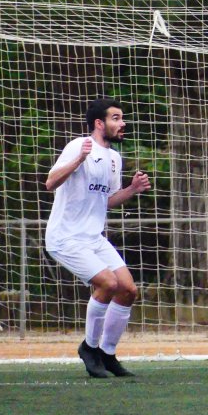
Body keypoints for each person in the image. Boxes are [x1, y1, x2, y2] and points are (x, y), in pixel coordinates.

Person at [45, 98, 151, 378]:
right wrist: (78, 160)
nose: (122, 123)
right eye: (116, 118)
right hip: (65, 237)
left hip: (93, 237)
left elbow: (107, 201)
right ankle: (89, 348)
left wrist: (132, 189)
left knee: (128, 290)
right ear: (99, 124)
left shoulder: (114, 158)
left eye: (122, 118)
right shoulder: (79, 146)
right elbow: (50, 182)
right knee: (108, 283)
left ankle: (107, 353)